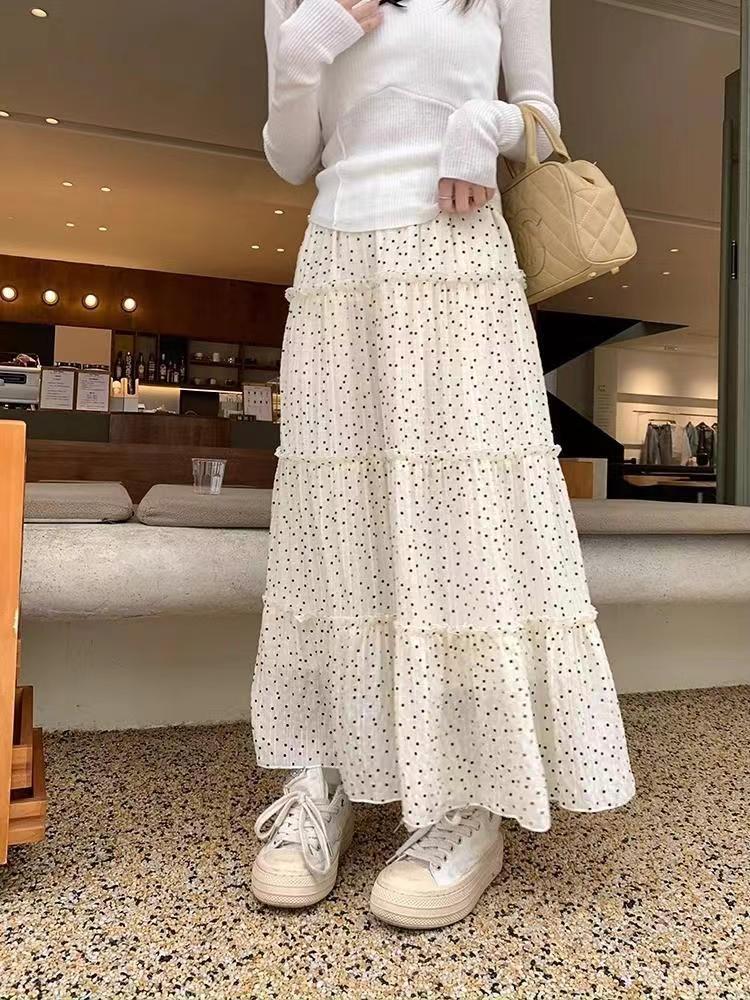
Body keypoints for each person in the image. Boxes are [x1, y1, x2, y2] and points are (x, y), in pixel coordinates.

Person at [250, 0, 635, 929]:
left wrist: (483, 127)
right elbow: (292, 155)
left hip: (459, 259)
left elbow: (542, 121)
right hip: (338, 265)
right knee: (333, 528)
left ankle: (471, 798)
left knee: (464, 527)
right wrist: (304, 45)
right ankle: (327, 768)